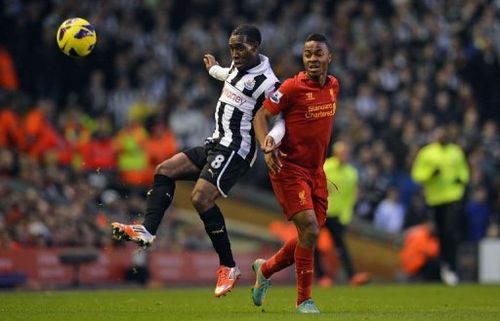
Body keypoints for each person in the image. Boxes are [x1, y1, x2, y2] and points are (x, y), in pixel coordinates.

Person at [111, 25, 280, 297]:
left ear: (256, 48)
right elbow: (227, 74)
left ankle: (228, 266)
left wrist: (272, 142)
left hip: (236, 150)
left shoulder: (269, 83)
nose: (234, 53)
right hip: (215, 143)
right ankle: (147, 231)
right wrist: (213, 69)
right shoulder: (238, 67)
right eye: (232, 48)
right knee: (164, 170)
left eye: (240, 48)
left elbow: (280, 116)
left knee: (201, 198)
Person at [251, 33, 338, 314]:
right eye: (308, 54)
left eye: (318, 53)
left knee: (309, 234)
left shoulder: (334, 86)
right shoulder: (291, 87)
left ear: (329, 57)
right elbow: (261, 116)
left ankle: (265, 270)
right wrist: (267, 148)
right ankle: (304, 300)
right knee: (310, 230)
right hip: (289, 168)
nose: (313, 59)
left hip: (316, 172)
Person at [411, 127, 469, 285]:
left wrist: (461, 178)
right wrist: (430, 174)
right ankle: (442, 267)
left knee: (451, 231)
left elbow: (464, 170)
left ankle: (450, 266)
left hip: (453, 196)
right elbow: (417, 174)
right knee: (439, 234)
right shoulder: (427, 152)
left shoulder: (456, 151)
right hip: (435, 199)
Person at [316, 141, 371, 287]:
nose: (344, 155)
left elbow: (351, 197)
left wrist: (346, 216)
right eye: (342, 152)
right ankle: (321, 276)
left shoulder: (351, 173)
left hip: (337, 215)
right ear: (335, 153)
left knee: (341, 246)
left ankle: (352, 276)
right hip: (320, 211)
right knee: (314, 244)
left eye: (346, 152)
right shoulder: (325, 167)